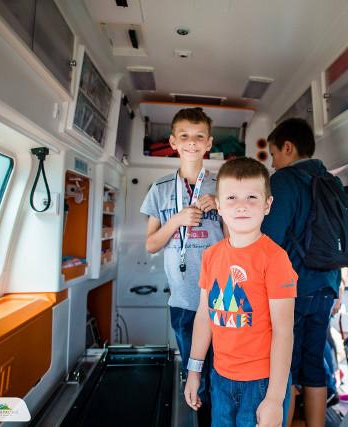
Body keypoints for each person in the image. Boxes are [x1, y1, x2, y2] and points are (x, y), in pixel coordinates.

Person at [184, 157, 297, 427]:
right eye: (232, 197)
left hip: (261, 382)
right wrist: (194, 371)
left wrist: (274, 399)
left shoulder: (275, 259)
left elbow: (284, 332)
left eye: (252, 197)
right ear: (219, 206)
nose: (241, 205)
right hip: (220, 377)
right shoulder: (211, 256)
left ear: (267, 205)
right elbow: (204, 316)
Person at [261, 118, 348, 427]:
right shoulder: (330, 180)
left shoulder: (284, 181)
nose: (273, 162)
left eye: (274, 154)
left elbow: (269, 240)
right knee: (313, 366)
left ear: (288, 147)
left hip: (293, 290)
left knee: (284, 367)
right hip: (327, 286)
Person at [140, 107, 224, 427]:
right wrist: (176, 220)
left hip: (222, 299)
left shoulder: (223, 186)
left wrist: (222, 206)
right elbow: (151, 244)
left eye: (199, 136)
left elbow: (240, 241)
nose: (192, 142)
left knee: (223, 376)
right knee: (196, 377)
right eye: (185, 136)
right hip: (184, 301)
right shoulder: (160, 188)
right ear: (173, 142)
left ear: (209, 143)